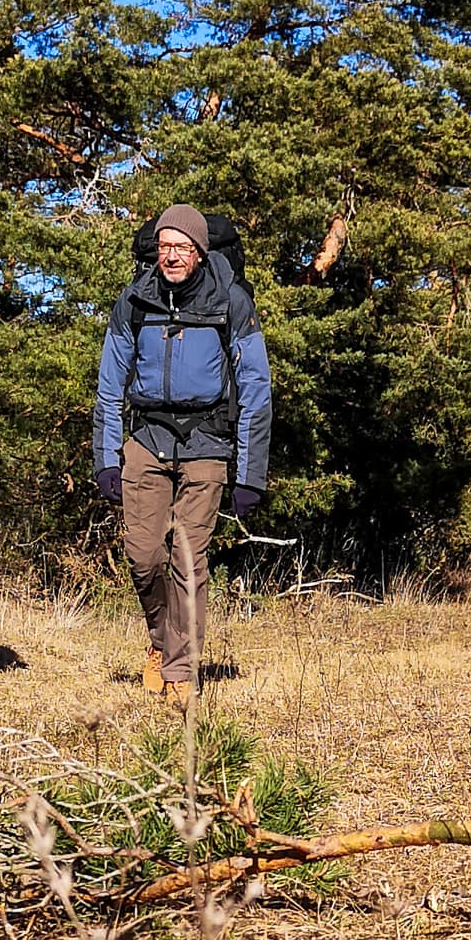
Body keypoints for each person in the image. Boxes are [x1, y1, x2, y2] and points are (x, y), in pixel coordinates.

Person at [93, 203, 272, 707]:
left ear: (199, 252)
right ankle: (161, 641)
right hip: (146, 438)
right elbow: (109, 385)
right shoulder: (135, 300)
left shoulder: (230, 301)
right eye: (164, 246)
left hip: (207, 442)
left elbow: (256, 387)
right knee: (143, 556)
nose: (171, 256)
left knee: (188, 560)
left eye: (181, 247)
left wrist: (250, 474)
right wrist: (107, 458)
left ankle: (179, 670)